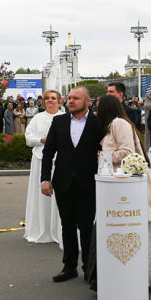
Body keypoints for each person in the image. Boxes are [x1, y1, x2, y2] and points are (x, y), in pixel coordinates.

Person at [89, 95, 151, 289]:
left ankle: (136, 274)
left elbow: (128, 151)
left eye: (98, 108)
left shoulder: (118, 123)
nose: (96, 112)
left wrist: (104, 156)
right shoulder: (115, 124)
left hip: (127, 183)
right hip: (120, 182)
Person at [40, 86, 103, 283]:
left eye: (76, 98)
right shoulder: (58, 122)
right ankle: (69, 267)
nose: (71, 101)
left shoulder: (97, 123)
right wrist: (45, 179)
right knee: (67, 225)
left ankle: (88, 267)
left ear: (87, 101)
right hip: (63, 182)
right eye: (69, 98)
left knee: (86, 227)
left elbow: (107, 149)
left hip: (88, 183)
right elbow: (48, 152)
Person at [24, 90, 65, 245]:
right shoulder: (37, 118)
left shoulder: (65, 117)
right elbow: (28, 139)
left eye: (53, 98)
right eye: (47, 98)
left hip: (61, 161)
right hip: (40, 160)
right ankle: (42, 228)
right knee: (42, 195)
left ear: (59, 101)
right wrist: (42, 139)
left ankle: (60, 229)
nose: (50, 101)